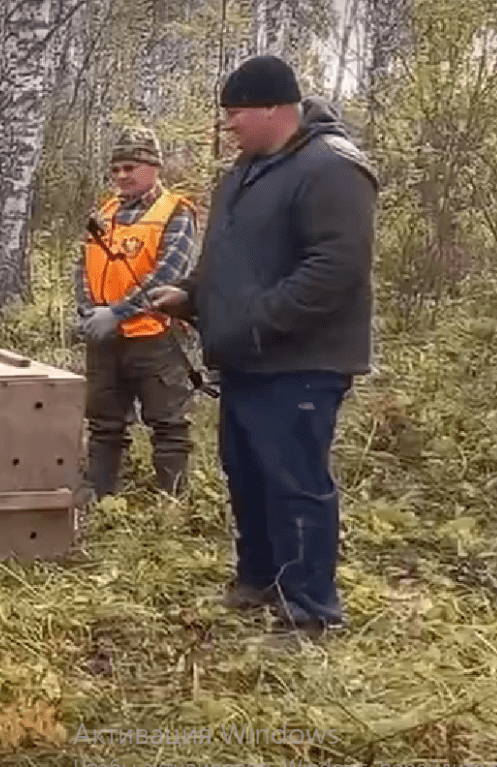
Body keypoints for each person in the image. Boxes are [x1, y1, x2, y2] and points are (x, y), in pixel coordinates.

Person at [148, 55, 379, 637]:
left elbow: (336, 269)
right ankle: (258, 580)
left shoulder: (332, 168)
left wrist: (255, 320)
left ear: (275, 108)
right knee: (246, 472)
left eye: (236, 114)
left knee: (294, 480)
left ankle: (310, 612)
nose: (229, 126)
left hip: (301, 360)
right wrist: (191, 295)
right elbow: (224, 262)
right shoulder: (245, 172)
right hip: (247, 356)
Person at [74, 126, 199, 498]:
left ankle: (171, 505)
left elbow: (169, 273)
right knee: (104, 424)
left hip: (155, 337)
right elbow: (82, 266)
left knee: (169, 425)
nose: (121, 176)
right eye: (115, 169)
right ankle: (99, 499)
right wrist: (90, 313)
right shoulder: (105, 213)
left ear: (153, 167)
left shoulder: (175, 212)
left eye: (130, 167)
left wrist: (119, 313)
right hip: (104, 338)